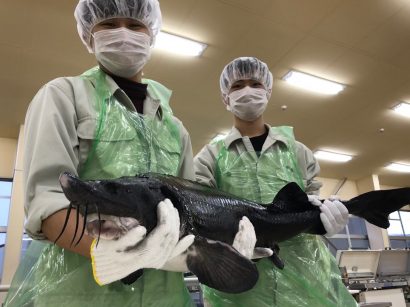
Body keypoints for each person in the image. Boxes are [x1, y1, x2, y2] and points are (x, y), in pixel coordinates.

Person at [4, 1, 197, 306]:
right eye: (108, 24)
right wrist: (113, 254)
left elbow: (192, 210)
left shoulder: (175, 128)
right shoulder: (63, 96)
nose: (123, 33)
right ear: (88, 34)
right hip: (81, 295)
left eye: (135, 25)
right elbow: (47, 202)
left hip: (166, 298)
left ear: (152, 32)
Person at [194, 57, 357, 307]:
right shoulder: (210, 157)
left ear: (268, 91)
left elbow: (312, 202)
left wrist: (326, 221)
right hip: (239, 292)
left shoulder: (298, 152)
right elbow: (199, 215)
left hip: (306, 284)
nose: (247, 91)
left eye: (255, 84)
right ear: (225, 97)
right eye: (237, 86)